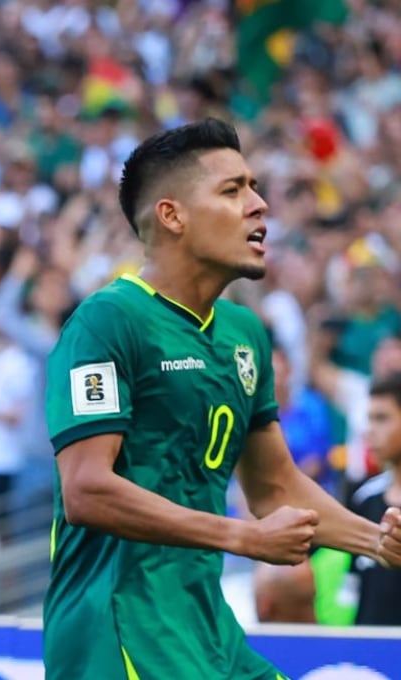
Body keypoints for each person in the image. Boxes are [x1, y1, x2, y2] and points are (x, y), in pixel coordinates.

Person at [44, 118, 401, 680]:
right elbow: (87, 490)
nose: (259, 204)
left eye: (254, 187)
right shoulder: (107, 321)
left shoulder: (244, 333)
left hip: (205, 628)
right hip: (119, 633)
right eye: (232, 190)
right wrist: (243, 537)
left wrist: (378, 540)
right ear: (172, 215)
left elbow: (275, 487)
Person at [347, 371, 401, 625]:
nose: (370, 431)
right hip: (369, 657)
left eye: (381, 419)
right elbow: (352, 591)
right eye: (369, 419)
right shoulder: (364, 499)